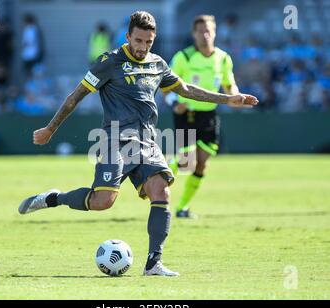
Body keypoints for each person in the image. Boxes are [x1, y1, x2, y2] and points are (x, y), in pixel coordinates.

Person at [18, 11, 258, 276]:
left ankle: (154, 263)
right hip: (116, 140)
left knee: (161, 191)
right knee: (103, 201)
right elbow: (76, 96)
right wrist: (50, 128)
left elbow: (186, 90)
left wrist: (228, 99)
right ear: (128, 37)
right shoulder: (109, 62)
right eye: (139, 41)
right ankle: (55, 198)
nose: (143, 47)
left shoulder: (157, 64)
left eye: (148, 42)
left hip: (147, 140)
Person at [167, 15, 242, 218]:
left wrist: (235, 96)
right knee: (187, 162)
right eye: (200, 31)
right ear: (194, 34)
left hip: (209, 114)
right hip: (186, 115)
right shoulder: (184, 57)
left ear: (215, 32)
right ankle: (158, 175)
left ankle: (182, 208)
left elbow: (229, 84)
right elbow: (165, 86)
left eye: (209, 30)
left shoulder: (223, 58)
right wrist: (174, 103)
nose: (205, 35)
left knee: (201, 164)